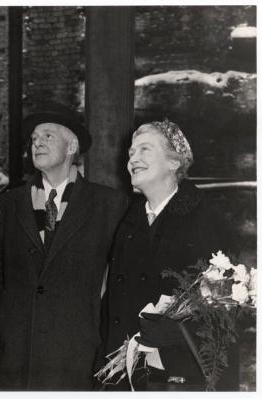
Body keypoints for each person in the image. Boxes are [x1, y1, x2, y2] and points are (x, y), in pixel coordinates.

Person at [0, 103, 128, 390]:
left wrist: (98, 333)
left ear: (71, 146)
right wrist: (4, 324)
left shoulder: (109, 205)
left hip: (79, 355)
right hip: (18, 356)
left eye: (47, 136)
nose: (37, 143)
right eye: (34, 139)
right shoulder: (11, 204)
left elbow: (118, 279)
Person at [103, 119, 239, 390]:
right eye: (131, 153)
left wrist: (166, 333)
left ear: (174, 162)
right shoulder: (128, 222)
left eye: (144, 150)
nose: (133, 159)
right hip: (127, 374)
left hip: (179, 377)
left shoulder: (206, 221)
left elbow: (223, 311)